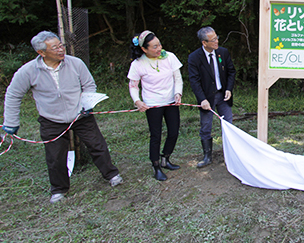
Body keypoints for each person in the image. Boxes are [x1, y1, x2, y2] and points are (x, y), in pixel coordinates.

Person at [2, 31, 122, 204]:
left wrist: (87, 105)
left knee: (97, 145)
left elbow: (89, 85)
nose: (61, 50)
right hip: (51, 120)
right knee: (55, 156)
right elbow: (13, 95)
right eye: (55, 47)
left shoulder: (75, 63)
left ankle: (112, 175)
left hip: (80, 115)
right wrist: (11, 122)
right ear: (41, 53)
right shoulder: (28, 71)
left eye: (61, 45)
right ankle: (59, 190)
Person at [127, 30, 183, 181]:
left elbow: (178, 78)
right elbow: (133, 86)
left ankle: (165, 158)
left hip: (171, 101)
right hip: (152, 104)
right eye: (154, 47)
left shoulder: (169, 57)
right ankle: (156, 165)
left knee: (173, 132)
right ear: (144, 49)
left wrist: (178, 93)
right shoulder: (138, 64)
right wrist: (137, 101)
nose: (159, 49)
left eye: (159, 45)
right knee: (156, 135)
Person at [188, 27, 236, 168]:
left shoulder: (223, 52)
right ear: (204, 43)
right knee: (206, 126)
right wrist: (202, 99)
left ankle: (230, 154)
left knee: (228, 123)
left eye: (216, 37)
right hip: (207, 97)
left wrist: (228, 88)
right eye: (213, 39)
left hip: (223, 95)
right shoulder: (194, 58)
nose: (217, 41)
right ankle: (207, 156)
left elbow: (231, 71)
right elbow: (194, 81)